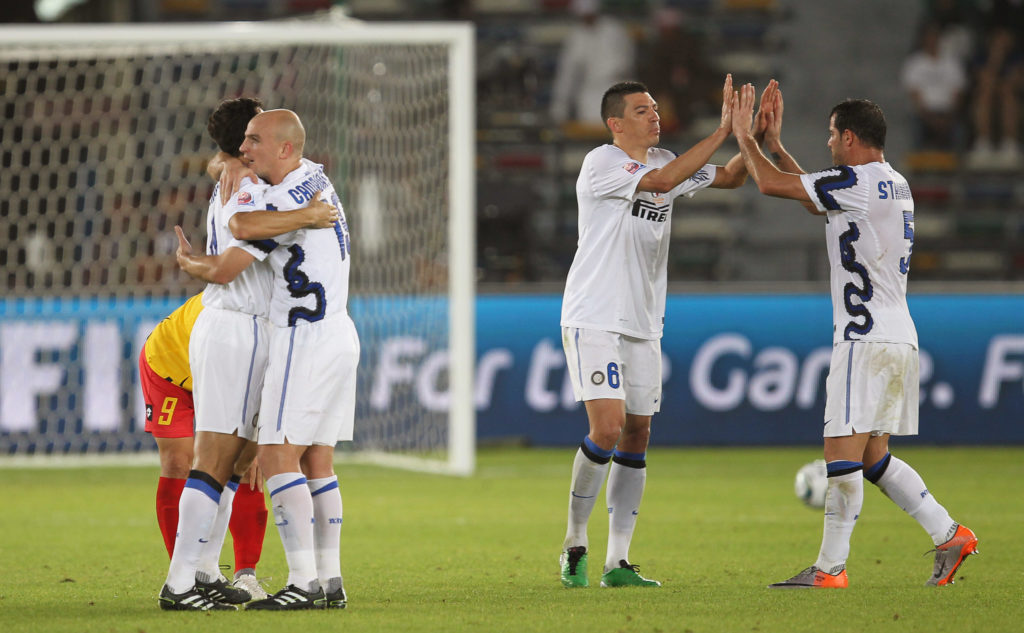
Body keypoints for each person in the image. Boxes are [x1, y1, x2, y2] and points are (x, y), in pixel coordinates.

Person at [729, 82, 979, 588]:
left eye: (829, 135)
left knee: (840, 457)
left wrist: (744, 137)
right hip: (898, 335)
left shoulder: (857, 182)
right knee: (873, 458)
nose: (826, 143)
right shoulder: (893, 182)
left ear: (848, 137)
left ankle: (829, 570)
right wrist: (775, 146)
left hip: (863, 339)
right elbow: (815, 201)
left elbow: (772, 187)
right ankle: (950, 534)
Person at [558, 75, 753, 588]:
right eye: (642, 110)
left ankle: (617, 562)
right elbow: (662, 185)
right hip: (595, 314)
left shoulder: (668, 160)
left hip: (644, 322)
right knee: (607, 427)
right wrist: (720, 131)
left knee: (638, 433)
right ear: (615, 123)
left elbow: (732, 177)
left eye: (655, 108)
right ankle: (575, 542)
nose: (654, 115)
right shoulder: (601, 163)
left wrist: (752, 136)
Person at [158, 98, 339, 611]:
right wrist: (197, 264)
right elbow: (228, 265)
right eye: (251, 135)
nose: (250, 145)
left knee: (237, 463)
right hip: (236, 328)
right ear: (245, 143)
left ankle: (206, 571)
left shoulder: (237, 175)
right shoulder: (252, 188)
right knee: (214, 458)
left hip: (251, 330)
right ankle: (178, 584)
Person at [140, 291, 268, 600]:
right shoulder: (227, 318)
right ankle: (184, 577)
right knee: (179, 463)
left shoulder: (276, 322)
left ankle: (245, 575)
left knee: (245, 461)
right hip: (168, 367)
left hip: (224, 368)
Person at [549, 0, 636, 127]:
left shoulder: (614, 30)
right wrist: (560, 105)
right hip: (589, 95)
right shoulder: (576, 37)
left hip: (617, 90)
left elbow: (627, 63)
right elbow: (568, 74)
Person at [901, 20, 967, 150]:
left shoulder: (952, 62)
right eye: (929, 37)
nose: (932, 40)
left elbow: (958, 93)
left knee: (960, 130)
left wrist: (948, 117)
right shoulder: (914, 63)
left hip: (948, 113)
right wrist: (930, 119)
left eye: (935, 36)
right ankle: (918, 164)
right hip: (924, 115)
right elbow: (914, 96)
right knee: (916, 127)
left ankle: (956, 164)